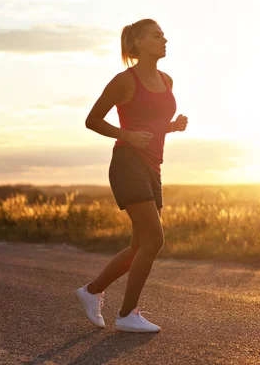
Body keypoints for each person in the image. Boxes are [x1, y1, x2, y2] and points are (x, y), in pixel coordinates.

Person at [76, 19, 188, 332]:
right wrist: (125, 133)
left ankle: (91, 292)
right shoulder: (124, 81)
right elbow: (92, 120)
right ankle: (127, 315)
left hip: (153, 166)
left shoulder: (167, 80)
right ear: (138, 43)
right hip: (127, 163)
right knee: (155, 238)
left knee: (140, 246)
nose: (164, 39)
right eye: (156, 35)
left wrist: (172, 127)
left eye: (164, 34)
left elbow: (150, 124)